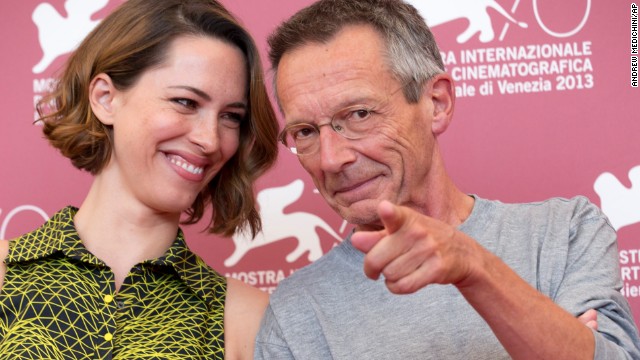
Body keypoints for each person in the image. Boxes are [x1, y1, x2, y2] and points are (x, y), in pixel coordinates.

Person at [254, 0, 640, 358]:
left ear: (436, 104)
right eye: (305, 131)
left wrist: (474, 266)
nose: (331, 159)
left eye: (358, 115)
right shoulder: (295, 313)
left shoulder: (564, 232)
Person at [0, 0, 278, 358]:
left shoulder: (247, 317)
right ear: (105, 98)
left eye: (230, 117)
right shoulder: (6, 273)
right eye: (185, 102)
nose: (210, 139)